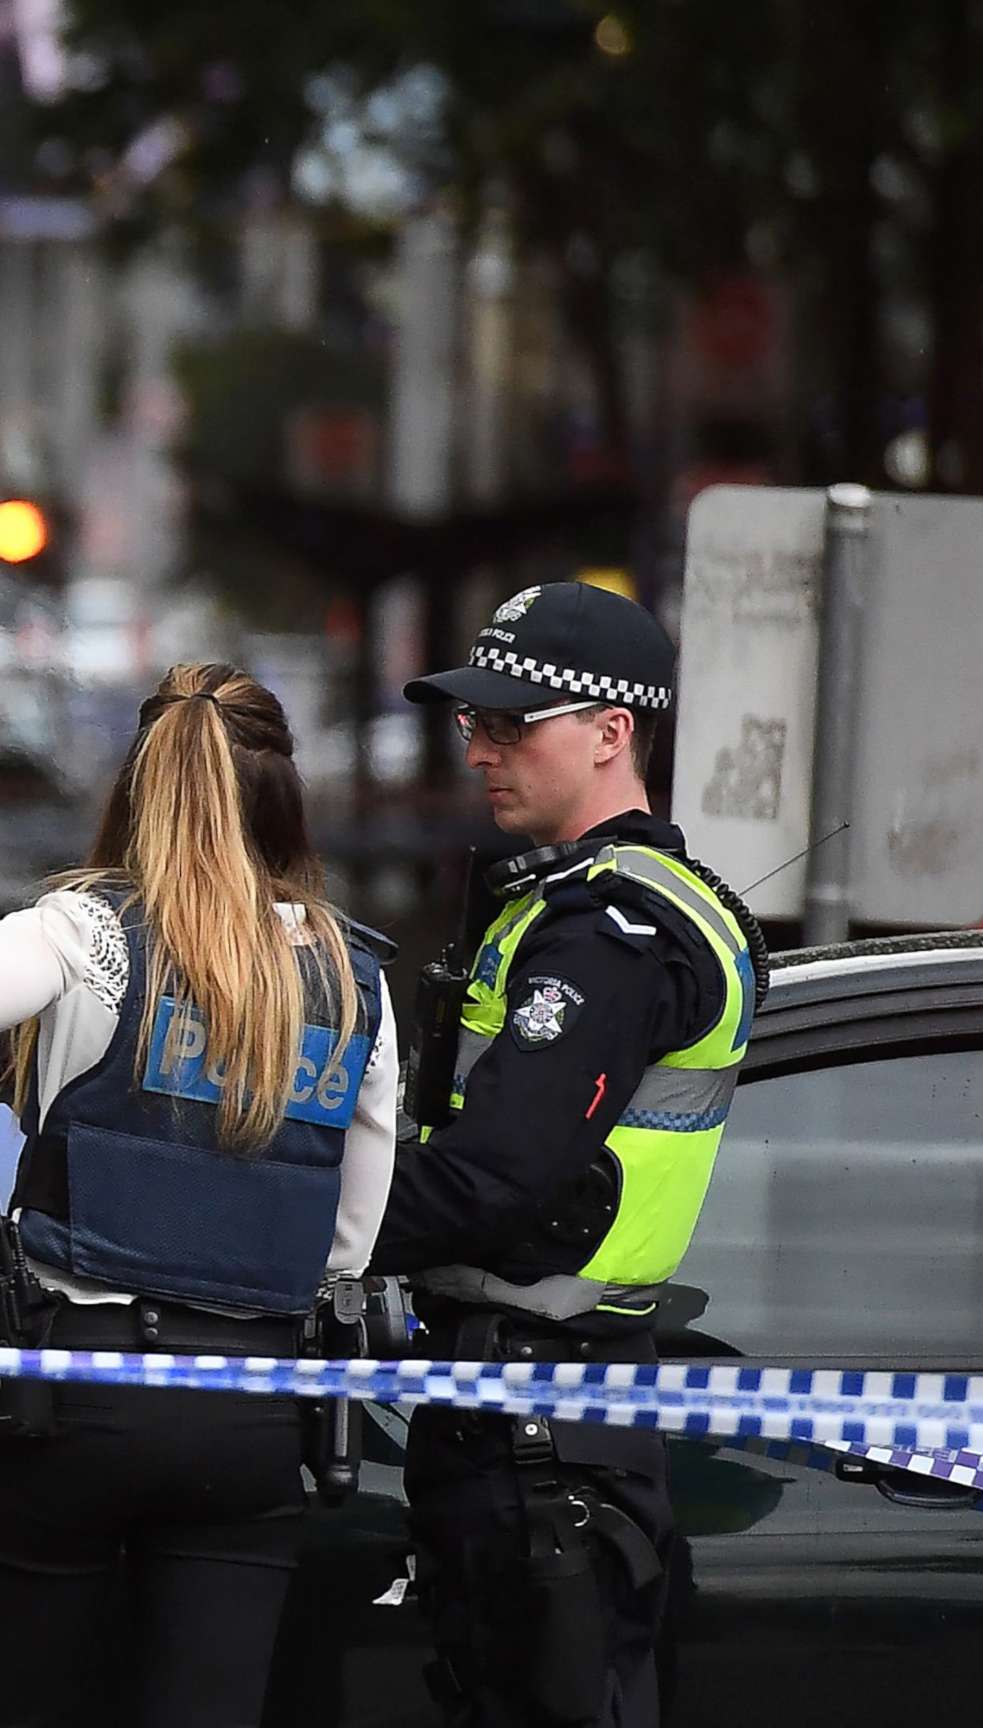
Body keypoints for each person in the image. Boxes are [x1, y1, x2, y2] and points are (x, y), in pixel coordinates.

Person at [0, 663, 401, 1728]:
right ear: (283, 796)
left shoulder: (84, 933)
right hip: (249, 1417)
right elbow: (349, 1244)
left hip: (69, 1404)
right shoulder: (352, 976)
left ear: (138, 788)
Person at [375, 582, 764, 1728]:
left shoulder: (618, 932)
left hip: (547, 1426)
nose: (482, 750)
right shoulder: (554, 903)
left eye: (513, 723)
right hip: (515, 1405)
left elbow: (495, 1175)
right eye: (472, 725)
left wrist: (286, 1230)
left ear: (611, 734)